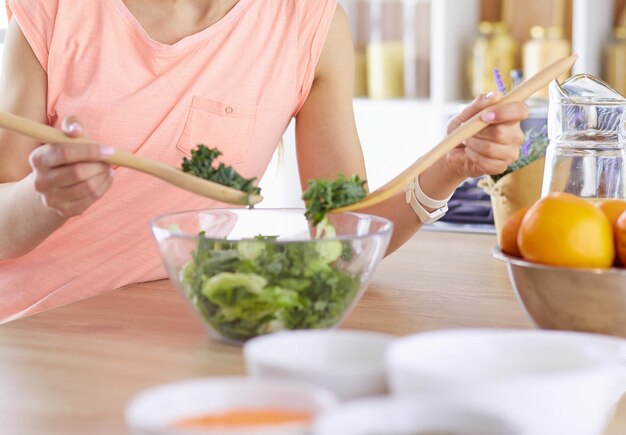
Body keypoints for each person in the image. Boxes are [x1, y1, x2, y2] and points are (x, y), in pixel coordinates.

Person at [0, 0, 527, 323]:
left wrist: (449, 166)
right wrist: (48, 199)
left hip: (170, 319)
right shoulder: (52, 10)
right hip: (31, 325)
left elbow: (342, 231)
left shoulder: (308, 25)